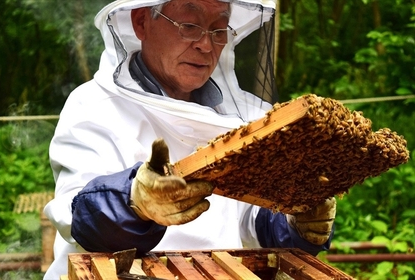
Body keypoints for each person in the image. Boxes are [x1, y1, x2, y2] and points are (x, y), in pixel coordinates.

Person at [43, 0, 337, 279]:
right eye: (190, 25)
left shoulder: (248, 114)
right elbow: (77, 215)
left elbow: (251, 223)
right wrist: (133, 201)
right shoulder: (93, 105)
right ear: (141, 22)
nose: (206, 44)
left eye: (219, 29)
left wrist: (295, 224)